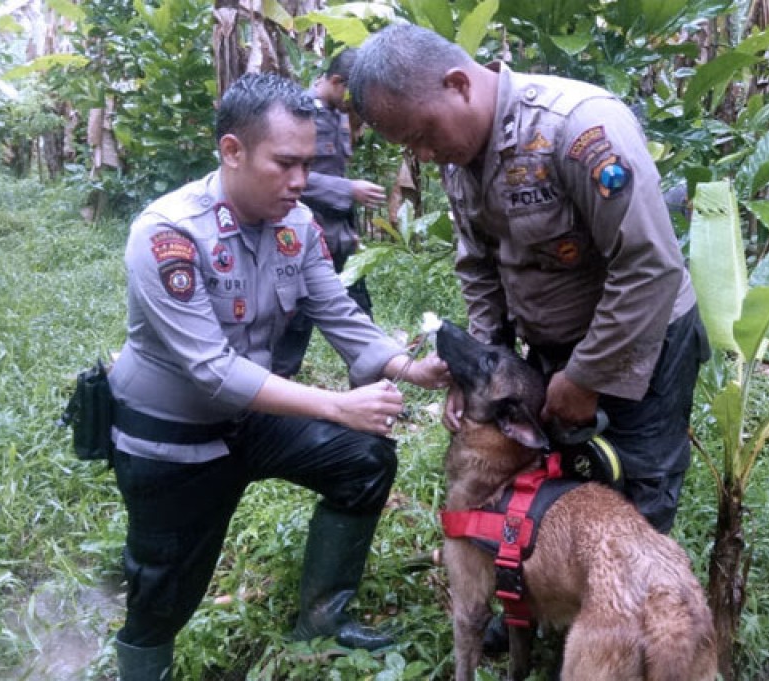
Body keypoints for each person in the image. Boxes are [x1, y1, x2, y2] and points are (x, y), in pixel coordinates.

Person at [107, 72, 447, 680]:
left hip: (252, 419)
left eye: (308, 165)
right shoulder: (168, 235)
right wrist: (337, 405)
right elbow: (211, 369)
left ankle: (322, 621)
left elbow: (339, 314)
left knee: (364, 460)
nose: (300, 183)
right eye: (285, 163)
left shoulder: (298, 226)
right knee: (163, 594)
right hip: (173, 438)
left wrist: (408, 367)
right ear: (232, 151)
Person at [349, 24, 709, 536]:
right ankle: (549, 606)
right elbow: (478, 266)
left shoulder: (580, 129)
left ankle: (628, 608)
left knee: (635, 493)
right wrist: (478, 370)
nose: (424, 156)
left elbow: (648, 266)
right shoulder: (460, 156)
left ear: (458, 84)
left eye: (423, 136)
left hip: (641, 343)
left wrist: (588, 376)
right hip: (551, 347)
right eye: (412, 147)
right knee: (552, 486)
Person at [272, 48, 386, 378]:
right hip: (304, 235)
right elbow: (291, 179)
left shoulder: (336, 113)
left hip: (338, 235)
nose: (357, 110)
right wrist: (348, 190)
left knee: (359, 312)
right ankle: (276, 392)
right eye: (354, 98)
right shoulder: (299, 114)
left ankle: (372, 388)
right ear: (337, 82)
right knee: (297, 318)